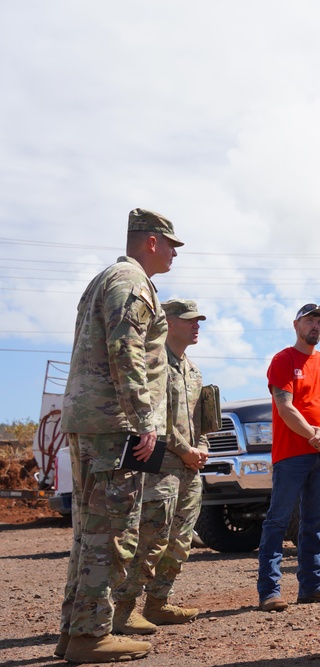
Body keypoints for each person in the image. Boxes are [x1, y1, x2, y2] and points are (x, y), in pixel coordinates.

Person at [57, 208, 182, 662]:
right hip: (117, 425)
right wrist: (144, 419)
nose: (173, 253)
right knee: (114, 531)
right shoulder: (131, 282)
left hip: (96, 420)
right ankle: (91, 636)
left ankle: (75, 631)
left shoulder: (106, 279)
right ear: (150, 241)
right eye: (170, 244)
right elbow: (125, 350)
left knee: (90, 531)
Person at [112, 299, 210, 635]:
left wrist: (202, 449)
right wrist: (185, 451)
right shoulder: (155, 365)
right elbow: (154, 418)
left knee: (180, 540)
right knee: (150, 538)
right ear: (167, 322)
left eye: (198, 320)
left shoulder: (193, 371)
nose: (196, 325)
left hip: (189, 468)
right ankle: (123, 610)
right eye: (188, 320)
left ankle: (158, 603)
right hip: (161, 467)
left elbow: (202, 421)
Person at [257, 303, 320, 612]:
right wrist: (316, 436)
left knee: (314, 521)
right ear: (296, 324)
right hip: (292, 454)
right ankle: (269, 591)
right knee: (278, 521)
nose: (316, 326)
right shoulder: (283, 360)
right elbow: (285, 407)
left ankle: (312, 586)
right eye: (310, 320)